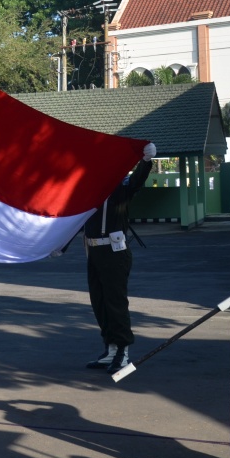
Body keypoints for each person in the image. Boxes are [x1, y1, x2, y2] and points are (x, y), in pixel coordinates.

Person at [84, 142, 156, 375]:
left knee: (115, 303)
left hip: (114, 253)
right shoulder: (88, 190)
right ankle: (111, 349)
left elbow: (136, 181)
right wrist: (60, 245)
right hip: (93, 252)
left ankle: (123, 351)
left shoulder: (121, 186)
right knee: (100, 303)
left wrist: (145, 162)